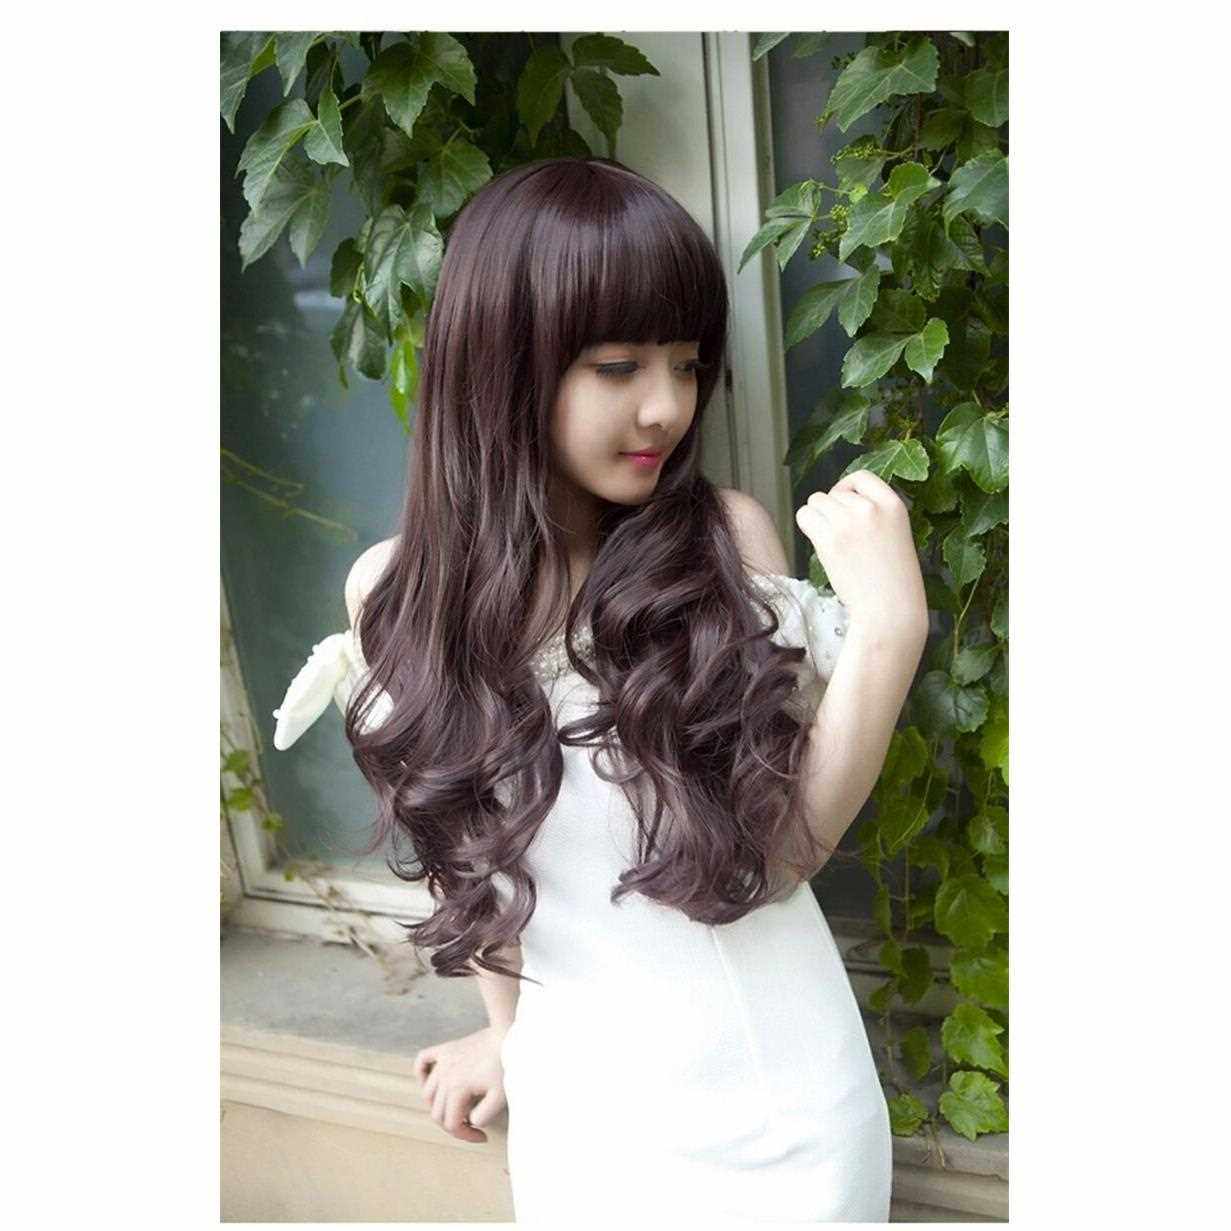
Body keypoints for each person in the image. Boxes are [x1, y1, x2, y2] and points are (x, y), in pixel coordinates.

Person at [271, 157, 928, 1222]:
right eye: (618, 365)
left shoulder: (720, 545)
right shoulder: (395, 595)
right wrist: (508, 1036)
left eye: (686, 362)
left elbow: (778, 853)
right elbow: (471, 859)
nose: (665, 405)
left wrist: (891, 629)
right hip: (578, 1117)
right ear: (502, 364)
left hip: (780, 1120)